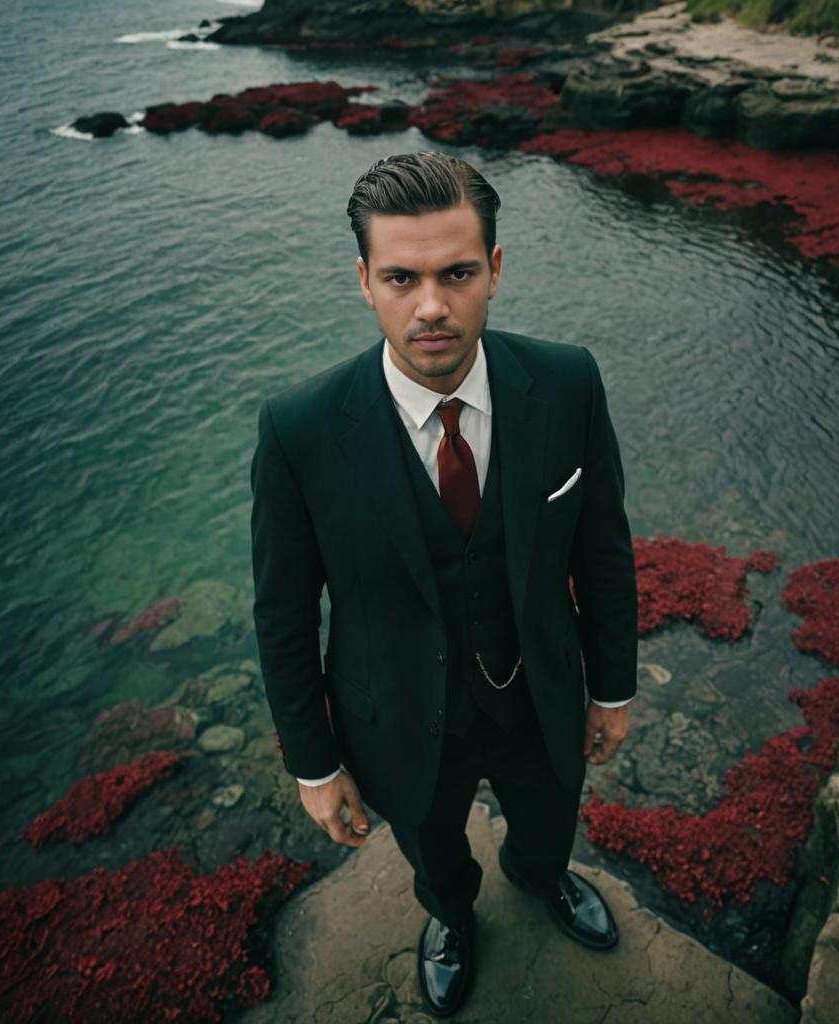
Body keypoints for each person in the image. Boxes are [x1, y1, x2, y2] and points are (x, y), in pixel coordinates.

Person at [250, 150, 637, 1017]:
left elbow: (604, 550)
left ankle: (542, 880)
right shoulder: (298, 430)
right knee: (430, 848)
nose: (431, 306)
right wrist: (315, 765)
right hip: (392, 715)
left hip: (541, 694)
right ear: (364, 280)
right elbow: (282, 614)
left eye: (457, 272)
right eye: (401, 277)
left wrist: (612, 688)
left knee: (548, 822)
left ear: (495, 269)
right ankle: (453, 919)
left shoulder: (568, 381)